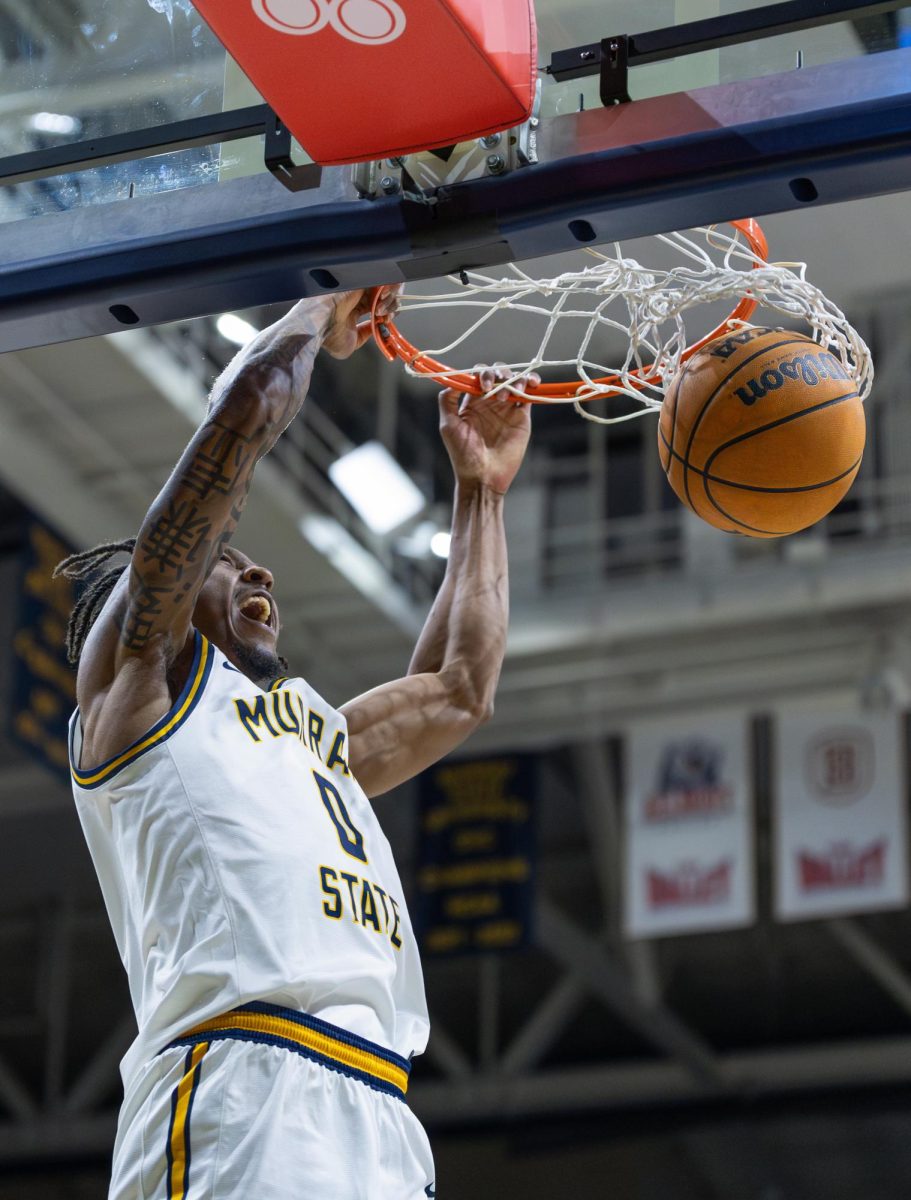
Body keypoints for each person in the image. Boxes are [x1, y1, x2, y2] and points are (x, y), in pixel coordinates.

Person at [55, 287, 535, 1200]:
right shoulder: (141, 690)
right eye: (227, 562)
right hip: (243, 1078)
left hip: (380, 1104)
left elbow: (460, 688)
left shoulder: (313, 738)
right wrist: (316, 303)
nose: (256, 569)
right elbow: (235, 427)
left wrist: (479, 494)